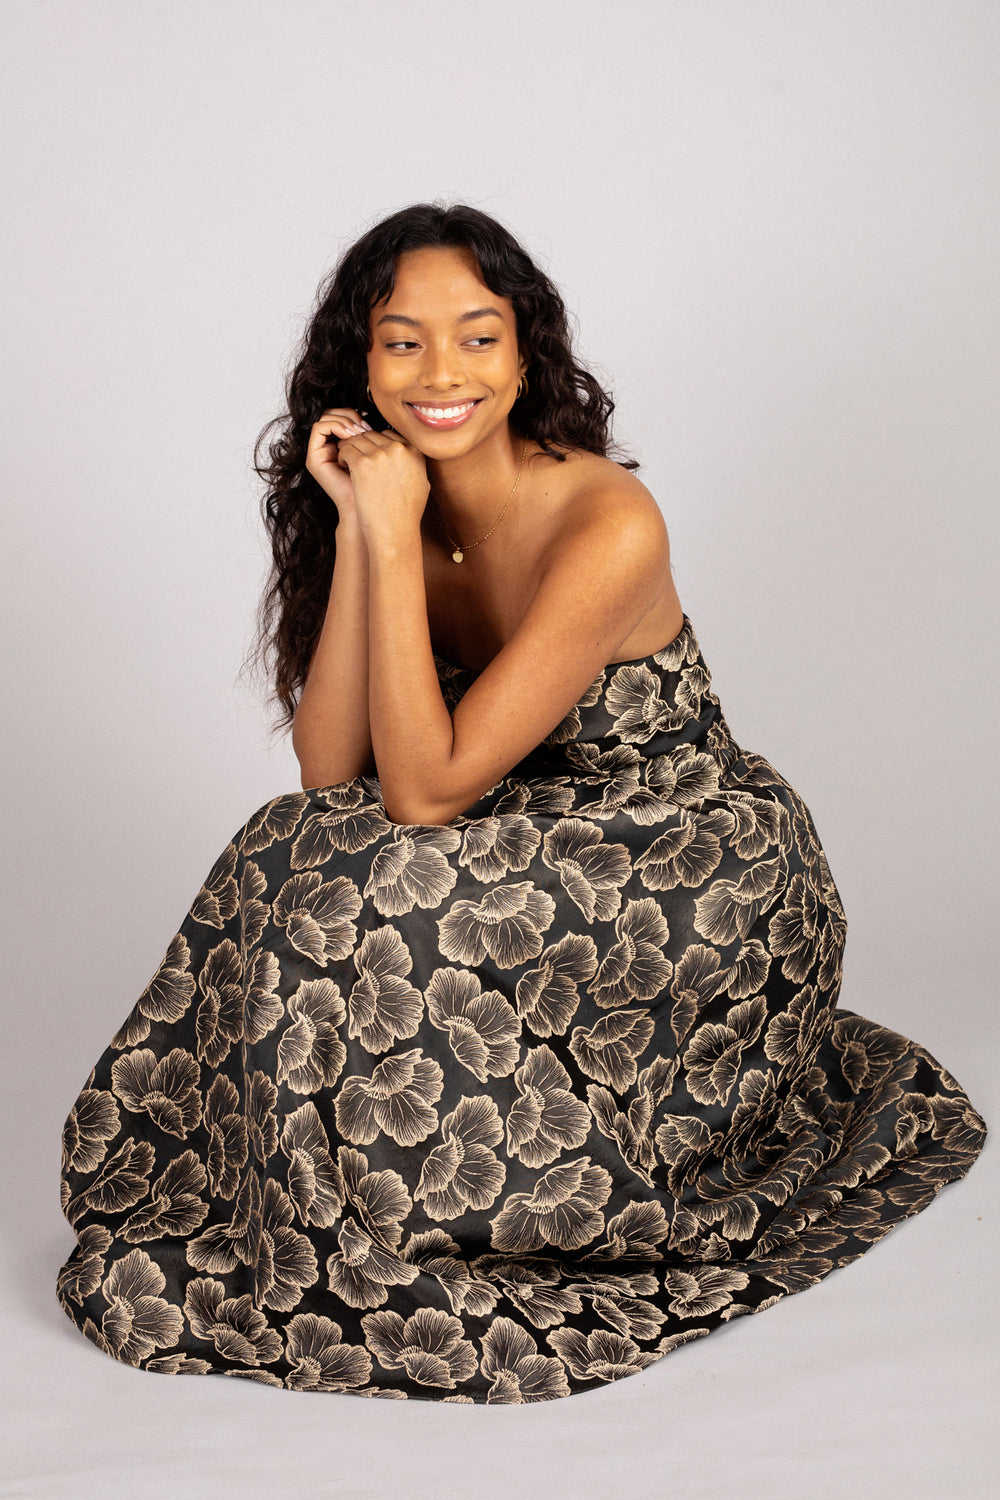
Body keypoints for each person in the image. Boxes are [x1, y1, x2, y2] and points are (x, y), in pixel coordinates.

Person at [56, 202, 986, 1404]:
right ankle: (306, 1196)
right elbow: (331, 771)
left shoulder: (604, 519)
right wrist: (366, 527)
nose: (441, 373)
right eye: (402, 342)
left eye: (477, 337)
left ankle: (443, 1204)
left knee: (381, 894)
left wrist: (390, 532)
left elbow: (428, 791)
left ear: (527, 352)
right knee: (280, 851)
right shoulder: (394, 503)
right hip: (523, 826)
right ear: (360, 363)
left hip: (688, 853)